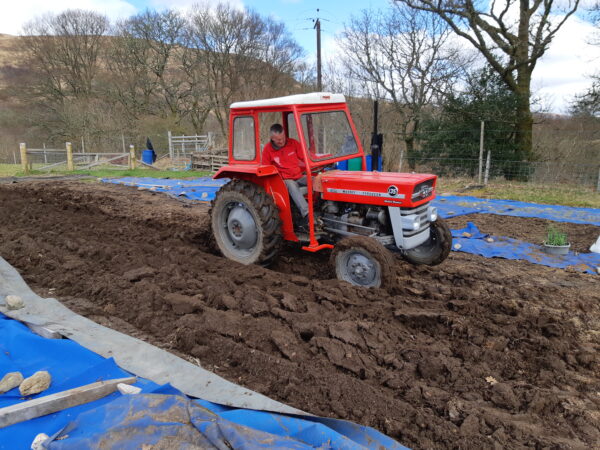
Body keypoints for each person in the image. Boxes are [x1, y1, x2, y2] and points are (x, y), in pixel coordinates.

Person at [261, 124, 309, 229]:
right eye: (278, 140)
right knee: (292, 185)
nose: (281, 141)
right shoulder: (267, 150)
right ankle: (307, 215)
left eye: (282, 138)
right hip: (283, 181)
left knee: (315, 180)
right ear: (272, 138)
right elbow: (265, 169)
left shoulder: (293, 143)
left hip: (298, 176)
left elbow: (305, 157)